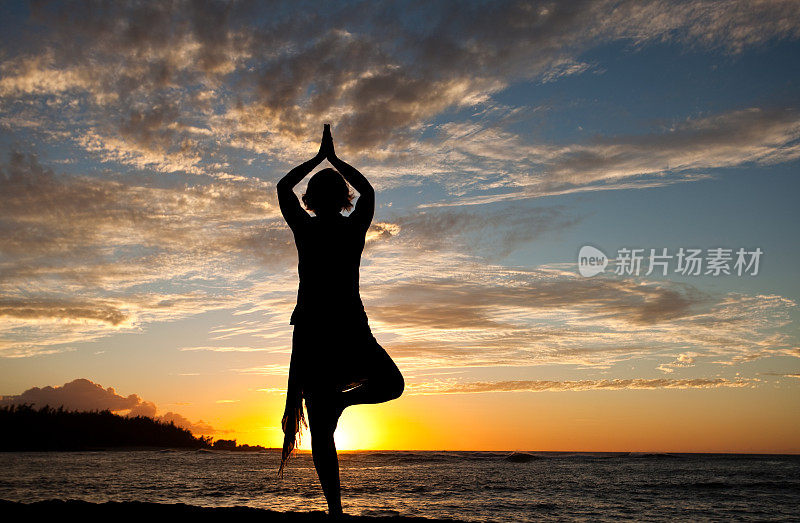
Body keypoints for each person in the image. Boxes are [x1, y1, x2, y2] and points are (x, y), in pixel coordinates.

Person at [276, 124, 404, 517]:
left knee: (324, 421)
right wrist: (333, 160)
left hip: (326, 328)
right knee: (383, 388)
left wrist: (320, 159)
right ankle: (334, 511)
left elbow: (283, 188)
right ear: (333, 199)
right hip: (337, 326)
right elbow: (369, 193)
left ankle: (335, 510)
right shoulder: (349, 229)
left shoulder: (310, 228)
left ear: (312, 200)